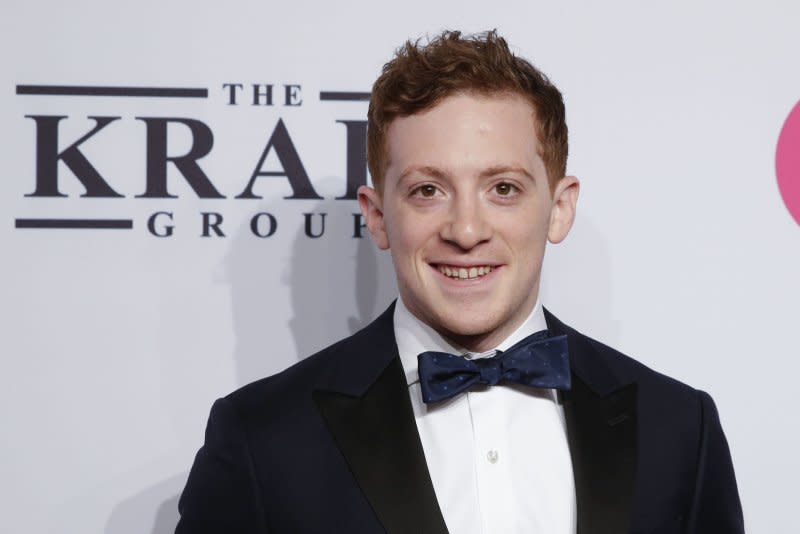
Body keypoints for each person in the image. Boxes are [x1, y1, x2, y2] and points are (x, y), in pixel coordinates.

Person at [175, 30, 744, 534]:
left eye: (503, 188)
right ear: (377, 216)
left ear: (560, 208)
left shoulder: (678, 429)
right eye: (428, 190)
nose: (466, 230)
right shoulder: (263, 439)